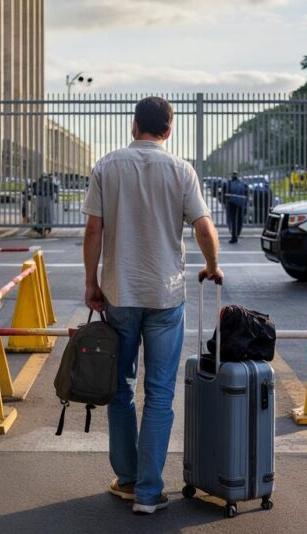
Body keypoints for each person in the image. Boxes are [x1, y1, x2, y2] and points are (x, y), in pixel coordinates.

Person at [81, 96, 223, 515]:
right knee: (159, 394)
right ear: (168, 129)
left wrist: (91, 282)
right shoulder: (182, 170)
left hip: (119, 295)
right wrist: (212, 265)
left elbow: (93, 229)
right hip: (165, 296)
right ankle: (148, 492)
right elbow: (202, 225)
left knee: (120, 389)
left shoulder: (107, 166)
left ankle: (126, 480)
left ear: (133, 126)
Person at [222, 171, 249, 243]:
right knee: (239, 219)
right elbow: (246, 193)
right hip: (241, 202)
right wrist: (245, 203)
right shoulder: (243, 183)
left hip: (231, 202)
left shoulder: (228, 183)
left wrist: (224, 202)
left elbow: (224, 193)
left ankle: (234, 236)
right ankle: (237, 233)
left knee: (232, 220)